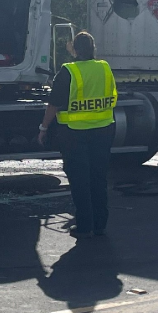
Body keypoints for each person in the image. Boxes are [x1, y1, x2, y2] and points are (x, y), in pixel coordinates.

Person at [38, 31, 117, 238]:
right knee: (98, 177)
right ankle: (100, 224)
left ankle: (84, 225)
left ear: (75, 50)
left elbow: (53, 104)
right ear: (93, 49)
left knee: (80, 180)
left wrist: (44, 128)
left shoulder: (68, 71)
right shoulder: (104, 68)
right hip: (104, 129)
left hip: (75, 134)